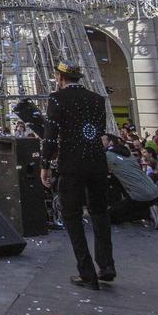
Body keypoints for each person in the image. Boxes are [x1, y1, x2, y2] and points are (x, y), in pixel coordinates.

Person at [40, 60, 114, 290]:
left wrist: (45, 164)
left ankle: (87, 272)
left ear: (60, 78)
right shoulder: (97, 100)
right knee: (100, 213)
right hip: (97, 164)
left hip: (71, 165)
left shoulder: (57, 98)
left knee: (72, 217)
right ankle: (107, 265)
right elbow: (99, 133)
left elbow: (50, 135)